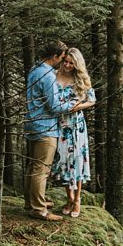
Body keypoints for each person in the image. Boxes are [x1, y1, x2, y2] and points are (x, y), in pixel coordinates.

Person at [24, 39, 76, 221]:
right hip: (45, 127)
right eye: (62, 58)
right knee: (41, 169)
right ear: (55, 56)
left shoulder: (34, 70)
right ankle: (39, 210)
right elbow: (54, 106)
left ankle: (31, 203)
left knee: (32, 166)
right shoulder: (47, 75)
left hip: (31, 124)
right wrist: (73, 104)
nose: (63, 62)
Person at [51, 48, 96, 217]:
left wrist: (77, 107)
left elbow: (92, 100)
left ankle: (77, 200)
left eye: (71, 63)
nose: (68, 65)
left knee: (77, 160)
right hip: (59, 123)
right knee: (63, 160)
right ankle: (68, 197)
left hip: (76, 125)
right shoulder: (54, 75)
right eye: (66, 62)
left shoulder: (81, 79)